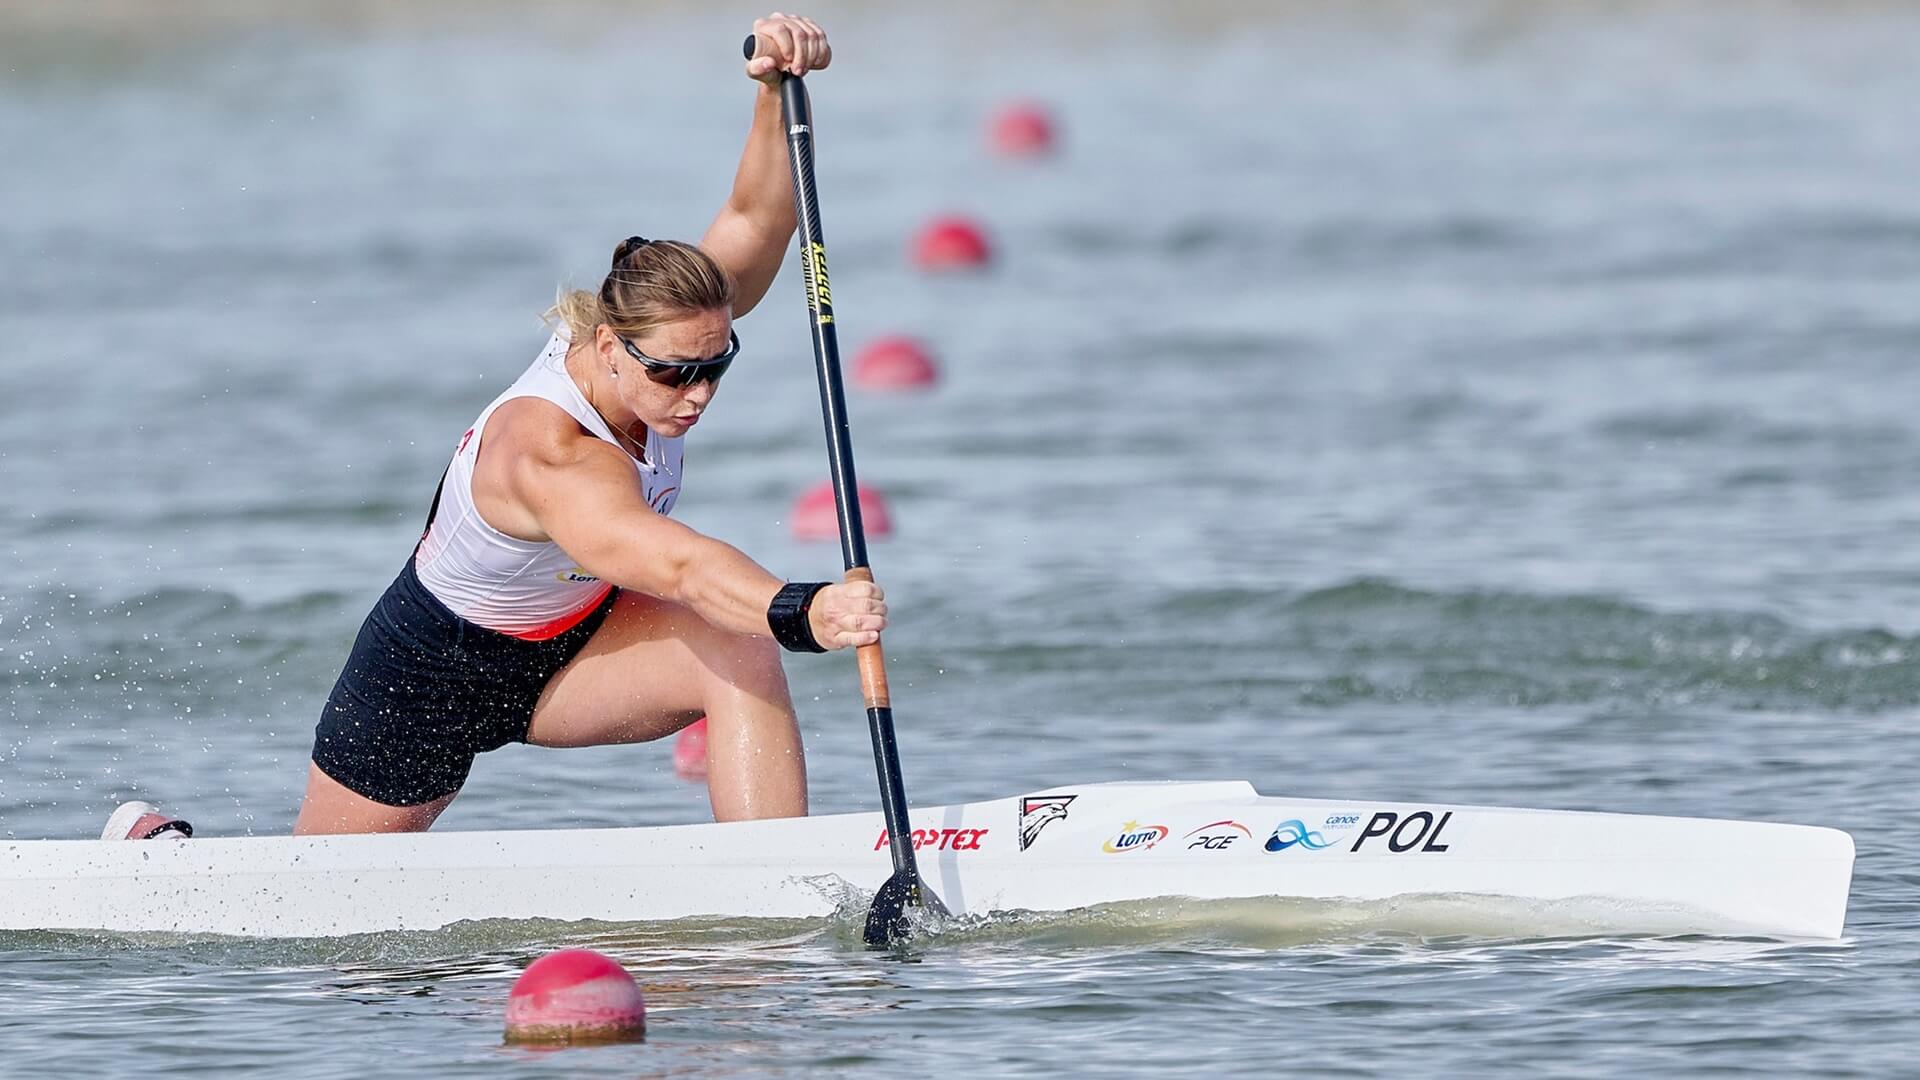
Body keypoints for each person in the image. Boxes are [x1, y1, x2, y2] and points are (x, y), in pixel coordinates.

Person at [103, 13, 879, 841]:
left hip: (575, 648)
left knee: (740, 650)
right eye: (675, 374)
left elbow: (759, 219)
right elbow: (676, 565)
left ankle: (767, 887)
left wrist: (772, 92)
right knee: (326, 929)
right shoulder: (550, 452)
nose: (697, 394)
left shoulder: (668, 324)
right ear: (608, 348)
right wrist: (801, 608)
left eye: (717, 364)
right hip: (428, 676)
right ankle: (158, 852)